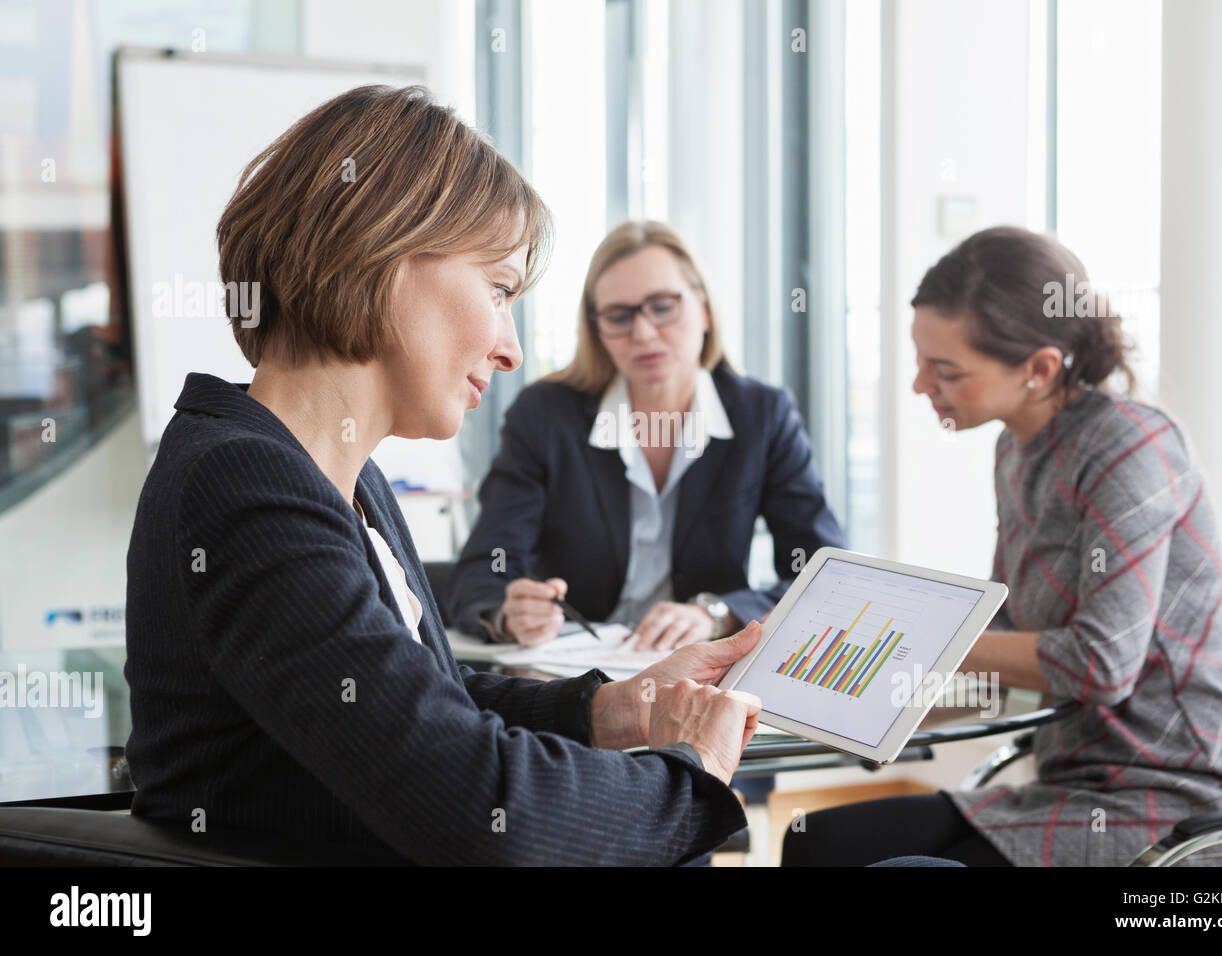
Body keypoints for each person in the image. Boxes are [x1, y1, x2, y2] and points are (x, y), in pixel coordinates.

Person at [122, 84, 769, 866]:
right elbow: (480, 808)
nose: (511, 350)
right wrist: (693, 775)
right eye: (499, 289)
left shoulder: (338, 478)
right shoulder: (245, 484)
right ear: (378, 249)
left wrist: (614, 709)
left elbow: (423, 704)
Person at [782, 226, 1222, 867]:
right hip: (1070, 787)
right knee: (817, 842)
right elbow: (1005, 641)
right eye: (921, 360)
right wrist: (857, 702)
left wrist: (921, 638)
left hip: (1183, 801)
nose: (919, 385)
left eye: (945, 370)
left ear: (1040, 368)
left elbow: (1099, 665)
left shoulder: (1130, 446)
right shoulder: (1016, 452)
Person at [448, 220, 845, 650]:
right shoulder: (545, 415)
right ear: (597, 330)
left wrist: (717, 612)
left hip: (703, 667)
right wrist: (509, 613)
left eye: (662, 306)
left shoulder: (762, 415)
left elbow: (824, 574)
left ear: (705, 309)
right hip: (575, 672)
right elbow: (481, 573)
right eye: (618, 316)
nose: (642, 333)